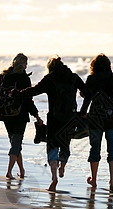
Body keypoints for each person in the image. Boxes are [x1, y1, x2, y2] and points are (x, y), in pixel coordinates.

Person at [16, 56, 91, 191]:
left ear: (50, 68)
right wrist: (83, 111)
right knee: (65, 144)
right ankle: (62, 166)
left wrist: (18, 93)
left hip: (54, 118)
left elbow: (34, 91)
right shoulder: (74, 77)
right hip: (70, 118)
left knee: (52, 146)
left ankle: (54, 177)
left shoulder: (49, 79)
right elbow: (88, 94)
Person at [80, 53, 113, 192]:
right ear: (109, 66)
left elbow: (86, 97)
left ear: (94, 66)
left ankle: (94, 181)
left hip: (95, 119)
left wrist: (83, 113)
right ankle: (112, 182)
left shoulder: (92, 78)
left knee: (94, 149)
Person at [0, 53, 42, 179]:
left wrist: (3, 105)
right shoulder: (24, 78)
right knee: (16, 143)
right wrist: (36, 116)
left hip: (6, 114)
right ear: (23, 64)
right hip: (20, 115)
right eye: (26, 63)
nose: (27, 66)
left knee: (15, 143)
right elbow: (28, 100)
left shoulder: (4, 75)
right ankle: (9, 172)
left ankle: (21, 170)